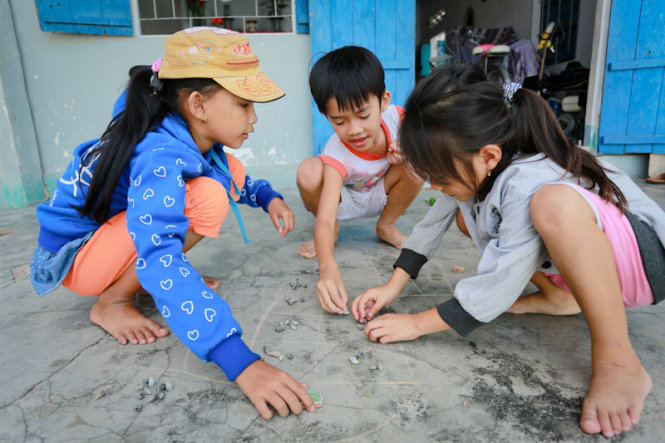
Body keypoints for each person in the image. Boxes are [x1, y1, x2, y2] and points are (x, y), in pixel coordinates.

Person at [352, 64, 665, 438]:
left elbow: (499, 285)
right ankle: (560, 297)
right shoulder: (481, 165)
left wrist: (416, 324)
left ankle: (618, 359)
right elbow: (431, 225)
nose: (434, 186)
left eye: (440, 176)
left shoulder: (528, 179)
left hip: (643, 265)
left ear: (488, 155)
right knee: (469, 214)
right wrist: (392, 287)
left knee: (551, 206)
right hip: (605, 265)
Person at [30, 27, 314, 419]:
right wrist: (242, 364)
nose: (254, 117)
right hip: (74, 256)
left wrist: (268, 197)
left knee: (215, 173)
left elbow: (227, 169)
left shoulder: (177, 127)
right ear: (198, 104)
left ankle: (133, 283)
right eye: (244, 104)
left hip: (103, 239)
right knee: (207, 197)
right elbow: (160, 253)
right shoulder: (159, 156)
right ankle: (113, 300)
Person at [296, 46, 424, 314]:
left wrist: (411, 150)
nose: (354, 130)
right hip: (347, 201)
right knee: (308, 170)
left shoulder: (399, 120)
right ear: (326, 117)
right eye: (339, 121)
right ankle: (331, 238)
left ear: (384, 101)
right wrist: (327, 267)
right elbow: (326, 217)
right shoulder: (337, 152)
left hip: (382, 194)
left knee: (415, 164)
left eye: (364, 115)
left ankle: (385, 226)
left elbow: (434, 145)